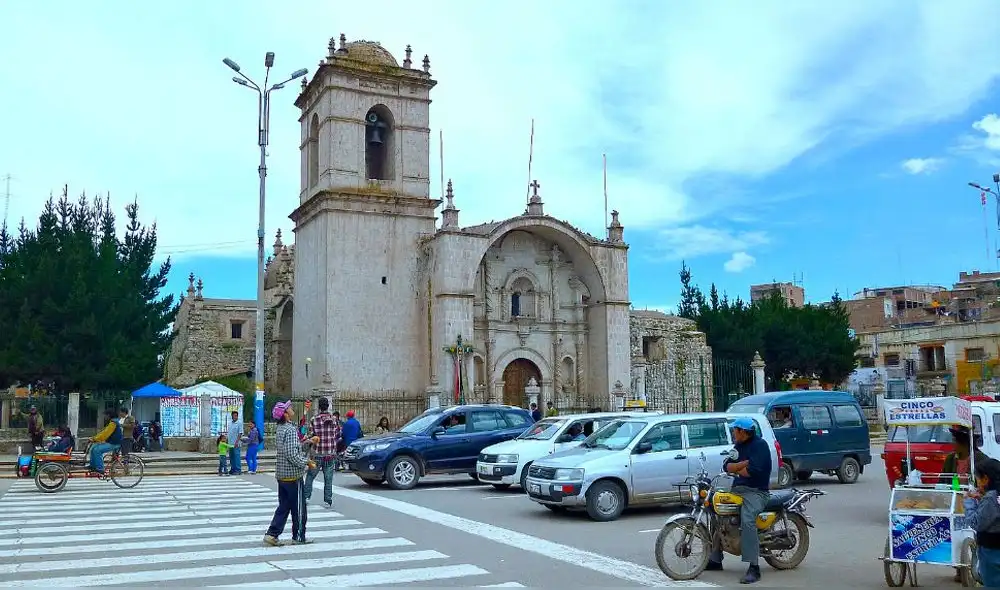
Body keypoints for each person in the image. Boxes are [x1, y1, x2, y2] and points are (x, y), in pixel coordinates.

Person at [707, 416, 772, 584]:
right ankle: (715, 557)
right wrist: (741, 465)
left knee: (748, 519)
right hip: (737, 489)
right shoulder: (738, 446)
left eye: (735, 430)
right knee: (716, 509)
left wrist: (737, 468)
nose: (733, 433)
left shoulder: (760, 446)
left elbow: (750, 472)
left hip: (756, 492)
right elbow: (726, 466)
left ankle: (754, 567)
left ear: (743, 432)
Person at [264, 401, 318, 547]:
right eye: (290, 408)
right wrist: (307, 462)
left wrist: (308, 441)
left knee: (284, 506)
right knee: (299, 509)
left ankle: (272, 533)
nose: (292, 409)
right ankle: (299, 536)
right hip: (292, 476)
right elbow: (292, 454)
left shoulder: (281, 428)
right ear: (285, 414)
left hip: (282, 474)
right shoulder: (290, 429)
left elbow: (292, 448)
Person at [962, 457, 1000, 586]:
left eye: (977, 478)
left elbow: (975, 522)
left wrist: (969, 501)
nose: (976, 483)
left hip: (992, 550)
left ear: (985, 479)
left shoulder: (991, 498)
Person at [305, 397, 341, 509]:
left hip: (317, 453)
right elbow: (338, 432)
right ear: (328, 406)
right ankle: (328, 499)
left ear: (319, 406)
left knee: (310, 476)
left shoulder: (314, 419)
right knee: (328, 478)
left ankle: (306, 496)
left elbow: (310, 435)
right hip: (330, 454)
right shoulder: (334, 419)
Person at [88, 410, 123, 475]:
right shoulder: (112, 422)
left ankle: (100, 469)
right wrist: (94, 438)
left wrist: (95, 439)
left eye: (105, 415)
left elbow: (105, 434)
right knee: (93, 448)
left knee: (97, 450)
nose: (104, 417)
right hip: (111, 442)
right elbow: (103, 432)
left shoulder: (113, 423)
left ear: (109, 415)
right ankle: (93, 466)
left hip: (114, 443)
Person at [227, 410, 243, 475]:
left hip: (236, 443)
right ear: (232, 416)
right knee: (231, 457)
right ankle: (232, 469)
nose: (235, 417)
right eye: (234, 415)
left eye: (236, 415)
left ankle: (238, 470)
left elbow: (240, 433)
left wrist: (237, 441)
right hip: (230, 443)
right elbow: (229, 433)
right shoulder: (230, 423)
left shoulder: (239, 423)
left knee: (237, 457)